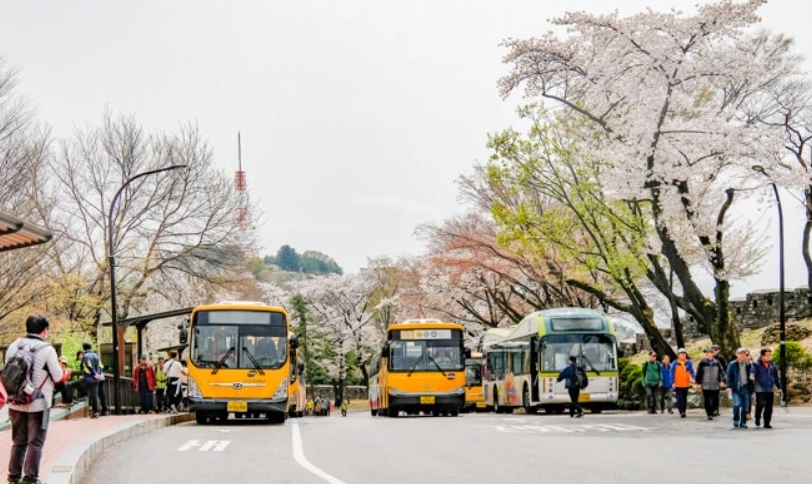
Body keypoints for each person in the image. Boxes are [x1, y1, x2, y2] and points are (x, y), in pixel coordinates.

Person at [5, 314, 64, 484]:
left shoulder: (14, 346)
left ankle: (13, 476)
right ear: (45, 331)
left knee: (18, 441)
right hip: (38, 403)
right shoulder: (47, 349)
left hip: (15, 401)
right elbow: (58, 376)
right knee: (35, 442)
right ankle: (30, 478)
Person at [750, 348, 782, 429]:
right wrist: (752, 375)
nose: (769, 357)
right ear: (762, 356)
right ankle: (757, 417)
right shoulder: (756, 364)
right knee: (761, 404)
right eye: (767, 355)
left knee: (769, 407)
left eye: (770, 355)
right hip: (760, 388)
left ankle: (767, 423)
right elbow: (753, 371)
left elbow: (776, 377)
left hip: (770, 388)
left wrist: (779, 387)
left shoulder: (772, 365)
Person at [726, 347, 754, 429]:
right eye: (740, 354)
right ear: (737, 355)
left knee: (745, 407)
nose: (742, 355)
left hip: (746, 388)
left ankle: (743, 422)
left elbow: (754, 373)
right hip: (736, 388)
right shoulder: (732, 364)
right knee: (737, 404)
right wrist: (728, 386)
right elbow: (729, 376)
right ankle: (736, 419)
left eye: (744, 354)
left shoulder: (749, 364)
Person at [695, 348, 725, 421]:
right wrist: (698, 383)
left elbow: (722, 373)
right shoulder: (702, 363)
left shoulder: (717, 363)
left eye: (709, 353)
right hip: (705, 384)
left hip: (715, 384)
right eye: (706, 353)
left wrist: (722, 381)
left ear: (712, 354)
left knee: (714, 399)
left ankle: (714, 410)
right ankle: (709, 414)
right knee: (707, 400)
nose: (707, 354)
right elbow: (698, 373)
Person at [669, 348, 695, 418]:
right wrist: (673, 382)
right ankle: (681, 411)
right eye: (681, 354)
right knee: (679, 398)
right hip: (678, 384)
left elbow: (692, 372)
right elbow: (671, 373)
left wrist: (693, 378)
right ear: (678, 355)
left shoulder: (688, 363)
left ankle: (683, 411)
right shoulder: (675, 363)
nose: (683, 355)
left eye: (684, 354)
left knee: (684, 398)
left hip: (686, 384)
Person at [80, 342, 103, 418]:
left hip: (88, 378)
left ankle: (95, 411)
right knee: (94, 395)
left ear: (84, 348)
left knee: (73, 385)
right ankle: (96, 412)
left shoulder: (85, 356)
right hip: (97, 378)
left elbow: (88, 365)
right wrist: (98, 374)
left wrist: (94, 374)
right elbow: (100, 366)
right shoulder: (96, 355)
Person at [710, 345, 727, 416]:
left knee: (716, 395)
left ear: (718, 351)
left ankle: (716, 409)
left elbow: (725, 369)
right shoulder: (708, 358)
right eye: (712, 349)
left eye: (715, 350)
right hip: (709, 379)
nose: (714, 351)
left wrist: (724, 380)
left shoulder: (721, 358)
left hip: (718, 379)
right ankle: (710, 409)